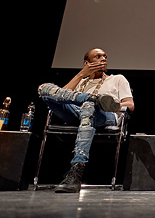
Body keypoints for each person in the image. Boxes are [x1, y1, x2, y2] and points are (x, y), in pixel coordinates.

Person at [37, 48, 134, 193]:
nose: (103, 59)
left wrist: (109, 106)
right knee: (44, 89)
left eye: (105, 57)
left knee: (89, 107)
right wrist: (81, 74)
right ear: (86, 62)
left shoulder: (117, 79)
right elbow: (59, 96)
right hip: (77, 114)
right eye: (98, 57)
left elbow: (130, 105)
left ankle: (76, 170)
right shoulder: (81, 81)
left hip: (106, 116)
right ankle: (91, 98)